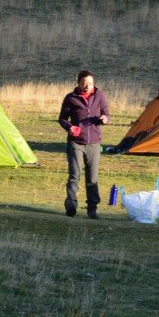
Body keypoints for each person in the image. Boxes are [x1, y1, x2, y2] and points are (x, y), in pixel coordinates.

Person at [58, 70, 110, 219]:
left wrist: (104, 119)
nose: (87, 86)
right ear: (78, 83)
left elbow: (107, 113)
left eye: (90, 83)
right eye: (84, 83)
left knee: (92, 177)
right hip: (76, 142)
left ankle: (92, 209)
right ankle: (71, 205)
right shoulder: (70, 98)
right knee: (75, 175)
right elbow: (62, 119)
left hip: (94, 142)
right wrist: (70, 127)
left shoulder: (99, 95)